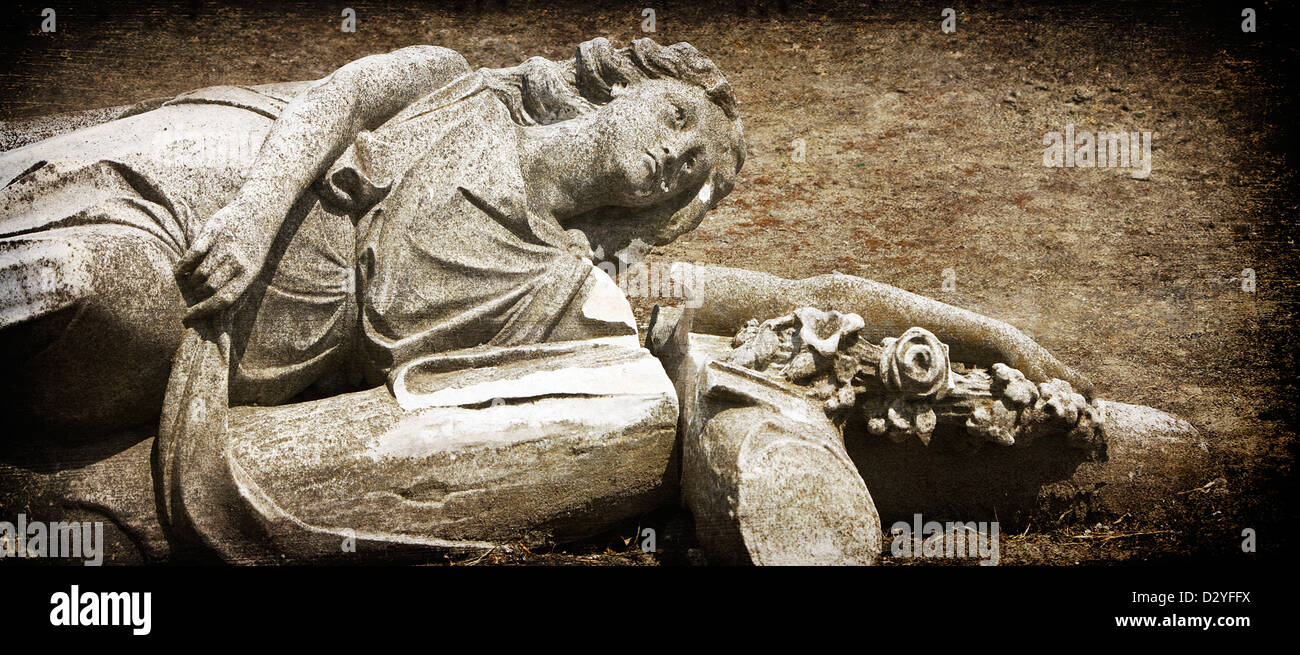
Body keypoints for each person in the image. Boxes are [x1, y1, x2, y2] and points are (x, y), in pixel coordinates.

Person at [0, 37, 1087, 440]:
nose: (675, 158)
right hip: (227, 190)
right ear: (617, 81)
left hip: (235, 343)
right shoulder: (455, 86)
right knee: (84, 276)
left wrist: (964, 323)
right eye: (674, 119)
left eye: (693, 171)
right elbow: (336, 98)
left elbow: (785, 289)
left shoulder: (560, 289)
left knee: (97, 340)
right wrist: (245, 215)